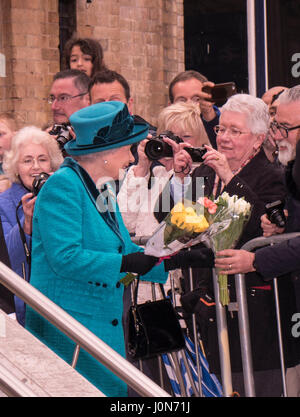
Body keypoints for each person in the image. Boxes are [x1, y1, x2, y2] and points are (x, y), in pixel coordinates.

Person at [25, 101, 214, 397]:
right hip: (70, 329)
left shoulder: (101, 185)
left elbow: (126, 247)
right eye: (127, 148)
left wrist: (177, 260)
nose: (130, 157)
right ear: (103, 154)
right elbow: (65, 258)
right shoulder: (63, 186)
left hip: (101, 326)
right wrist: (124, 263)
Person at [155, 93, 298, 396]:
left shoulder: (273, 176)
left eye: (236, 131)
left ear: (258, 139)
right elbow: (166, 218)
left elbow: (258, 229)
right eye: (221, 129)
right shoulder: (205, 172)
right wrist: (180, 178)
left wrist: (230, 178)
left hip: (257, 319)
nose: (225, 138)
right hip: (207, 314)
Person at [0, 126, 63, 326]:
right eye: (27, 160)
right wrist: (27, 223)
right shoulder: (4, 203)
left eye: (42, 159)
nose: (36, 167)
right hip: (25, 304)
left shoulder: (65, 198)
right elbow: (8, 259)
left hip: (62, 301)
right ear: (15, 167)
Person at [168, 70, 219, 149]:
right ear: (170, 106)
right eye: (182, 101)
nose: (189, 105)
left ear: (209, 101)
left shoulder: (224, 134)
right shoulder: (162, 142)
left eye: (197, 99)